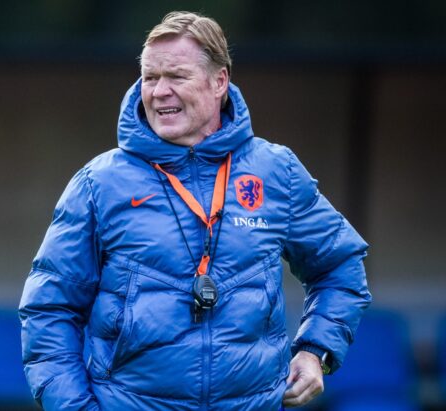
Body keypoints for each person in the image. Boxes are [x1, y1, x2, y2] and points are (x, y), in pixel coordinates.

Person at [19, 11, 371, 411]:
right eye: (150, 78)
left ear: (219, 81)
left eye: (177, 77)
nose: (158, 92)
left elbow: (340, 266)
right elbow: (49, 309)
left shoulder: (277, 172)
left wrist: (315, 350)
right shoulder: (99, 183)